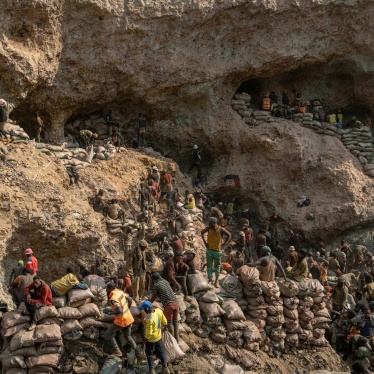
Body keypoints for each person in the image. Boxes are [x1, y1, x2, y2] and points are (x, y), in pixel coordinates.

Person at [105, 282, 143, 360]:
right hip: (129, 317)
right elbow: (130, 299)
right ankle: (138, 353)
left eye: (107, 289)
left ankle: (117, 351)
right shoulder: (120, 292)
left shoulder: (113, 299)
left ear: (110, 289)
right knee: (128, 336)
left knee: (109, 332)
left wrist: (110, 312)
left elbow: (119, 311)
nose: (106, 290)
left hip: (122, 320)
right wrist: (128, 309)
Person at [138, 300, 170, 374]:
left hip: (151, 339)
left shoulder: (149, 318)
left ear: (146, 309)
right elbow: (165, 321)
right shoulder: (159, 311)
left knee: (149, 353)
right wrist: (165, 328)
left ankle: (151, 370)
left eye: (143, 309)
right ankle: (165, 368)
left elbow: (149, 333)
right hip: (159, 336)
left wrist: (145, 341)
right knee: (160, 351)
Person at [201, 217, 231, 287]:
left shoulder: (221, 229)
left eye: (210, 223)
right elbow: (202, 233)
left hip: (217, 251)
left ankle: (216, 280)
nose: (209, 224)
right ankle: (210, 279)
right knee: (209, 265)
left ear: (214, 223)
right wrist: (205, 243)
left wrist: (224, 244)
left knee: (217, 266)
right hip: (209, 250)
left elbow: (229, 235)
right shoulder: (208, 229)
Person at [150, 272, 179, 341]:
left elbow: (153, 296)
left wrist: (149, 302)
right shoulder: (165, 281)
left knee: (169, 322)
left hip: (169, 305)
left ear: (154, 279)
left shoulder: (156, 285)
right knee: (175, 321)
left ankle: (172, 340)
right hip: (176, 303)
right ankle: (177, 338)